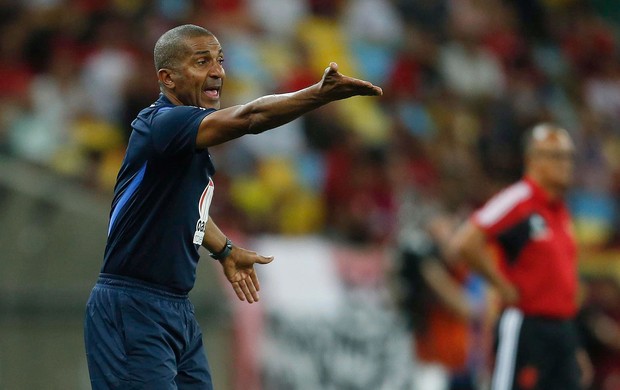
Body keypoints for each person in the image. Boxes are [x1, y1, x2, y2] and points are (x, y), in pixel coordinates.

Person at [83, 24, 382, 389]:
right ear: (168, 77)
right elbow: (251, 118)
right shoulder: (163, 124)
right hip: (133, 307)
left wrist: (224, 249)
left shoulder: (181, 142)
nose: (217, 71)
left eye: (220, 60)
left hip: (173, 308)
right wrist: (317, 95)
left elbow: (181, 211)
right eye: (202, 61)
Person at [448, 123, 593, 390]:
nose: (566, 164)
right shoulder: (519, 199)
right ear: (533, 160)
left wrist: (573, 343)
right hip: (527, 326)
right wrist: (501, 284)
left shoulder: (561, 210)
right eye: (557, 156)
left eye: (569, 156)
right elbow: (465, 243)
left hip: (562, 330)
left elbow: (563, 281)